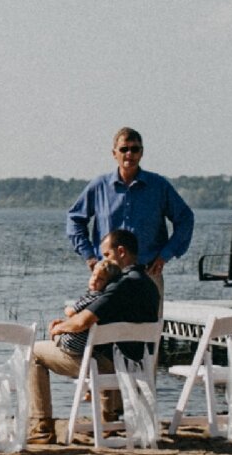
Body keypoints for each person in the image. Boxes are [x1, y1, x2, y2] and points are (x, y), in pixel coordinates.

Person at [27, 227, 163, 436]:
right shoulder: (150, 285)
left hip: (109, 364)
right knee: (103, 347)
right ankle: (107, 421)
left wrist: (59, 327)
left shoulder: (121, 285)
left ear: (121, 251)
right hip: (137, 364)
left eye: (107, 254)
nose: (104, 259)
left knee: (34, 351)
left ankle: (42, 427)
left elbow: (82, 321)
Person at [66, 127, 196, 286]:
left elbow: (185, 218)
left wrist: (165, 255)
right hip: (107, 275)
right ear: (114, 153)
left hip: (148, 273)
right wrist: (89, 255)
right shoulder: (99, 186)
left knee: (148, 313)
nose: (129, 154)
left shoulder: (159, 186)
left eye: (135, 149)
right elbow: (74, 219)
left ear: (141, 153)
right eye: (124, 149)